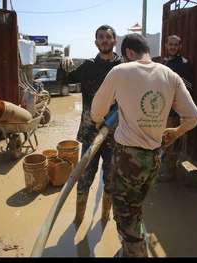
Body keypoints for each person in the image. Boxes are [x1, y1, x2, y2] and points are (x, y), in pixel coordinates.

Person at [90, 33, 197, 257]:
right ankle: (131, 247)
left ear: (129, 53)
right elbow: (193, 117)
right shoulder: (170, 74)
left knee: (124, 214)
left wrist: (104, 119)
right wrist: (177, 132)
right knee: (136, 207)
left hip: (127, 159)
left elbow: (96, 112)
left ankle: (136, 252)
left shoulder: (120, 71)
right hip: (154, 158)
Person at [59, 25, 122, 225]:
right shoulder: (87, 66)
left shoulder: (123, 68)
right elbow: (64, 82)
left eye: (108, 37)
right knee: (84, 177)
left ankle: (105, 217)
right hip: (89, 132)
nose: (104, 40)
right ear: (96, 42)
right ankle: (78, 219)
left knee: (111, 180)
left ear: (115, 41)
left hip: (115, 135)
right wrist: (63, 65)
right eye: (101, 37)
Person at [158, 35, 194, 181]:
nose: (172, 47)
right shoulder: (164, 62)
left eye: (175, 45)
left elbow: (189, 87)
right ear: (166, 45)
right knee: (160, 140)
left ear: (180, 46)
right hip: (160, 110)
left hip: (173, 112)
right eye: (170, 44)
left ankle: (168, 173)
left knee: (170, 141)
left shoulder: (184, 64)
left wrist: (174, 81)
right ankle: (160, 169)